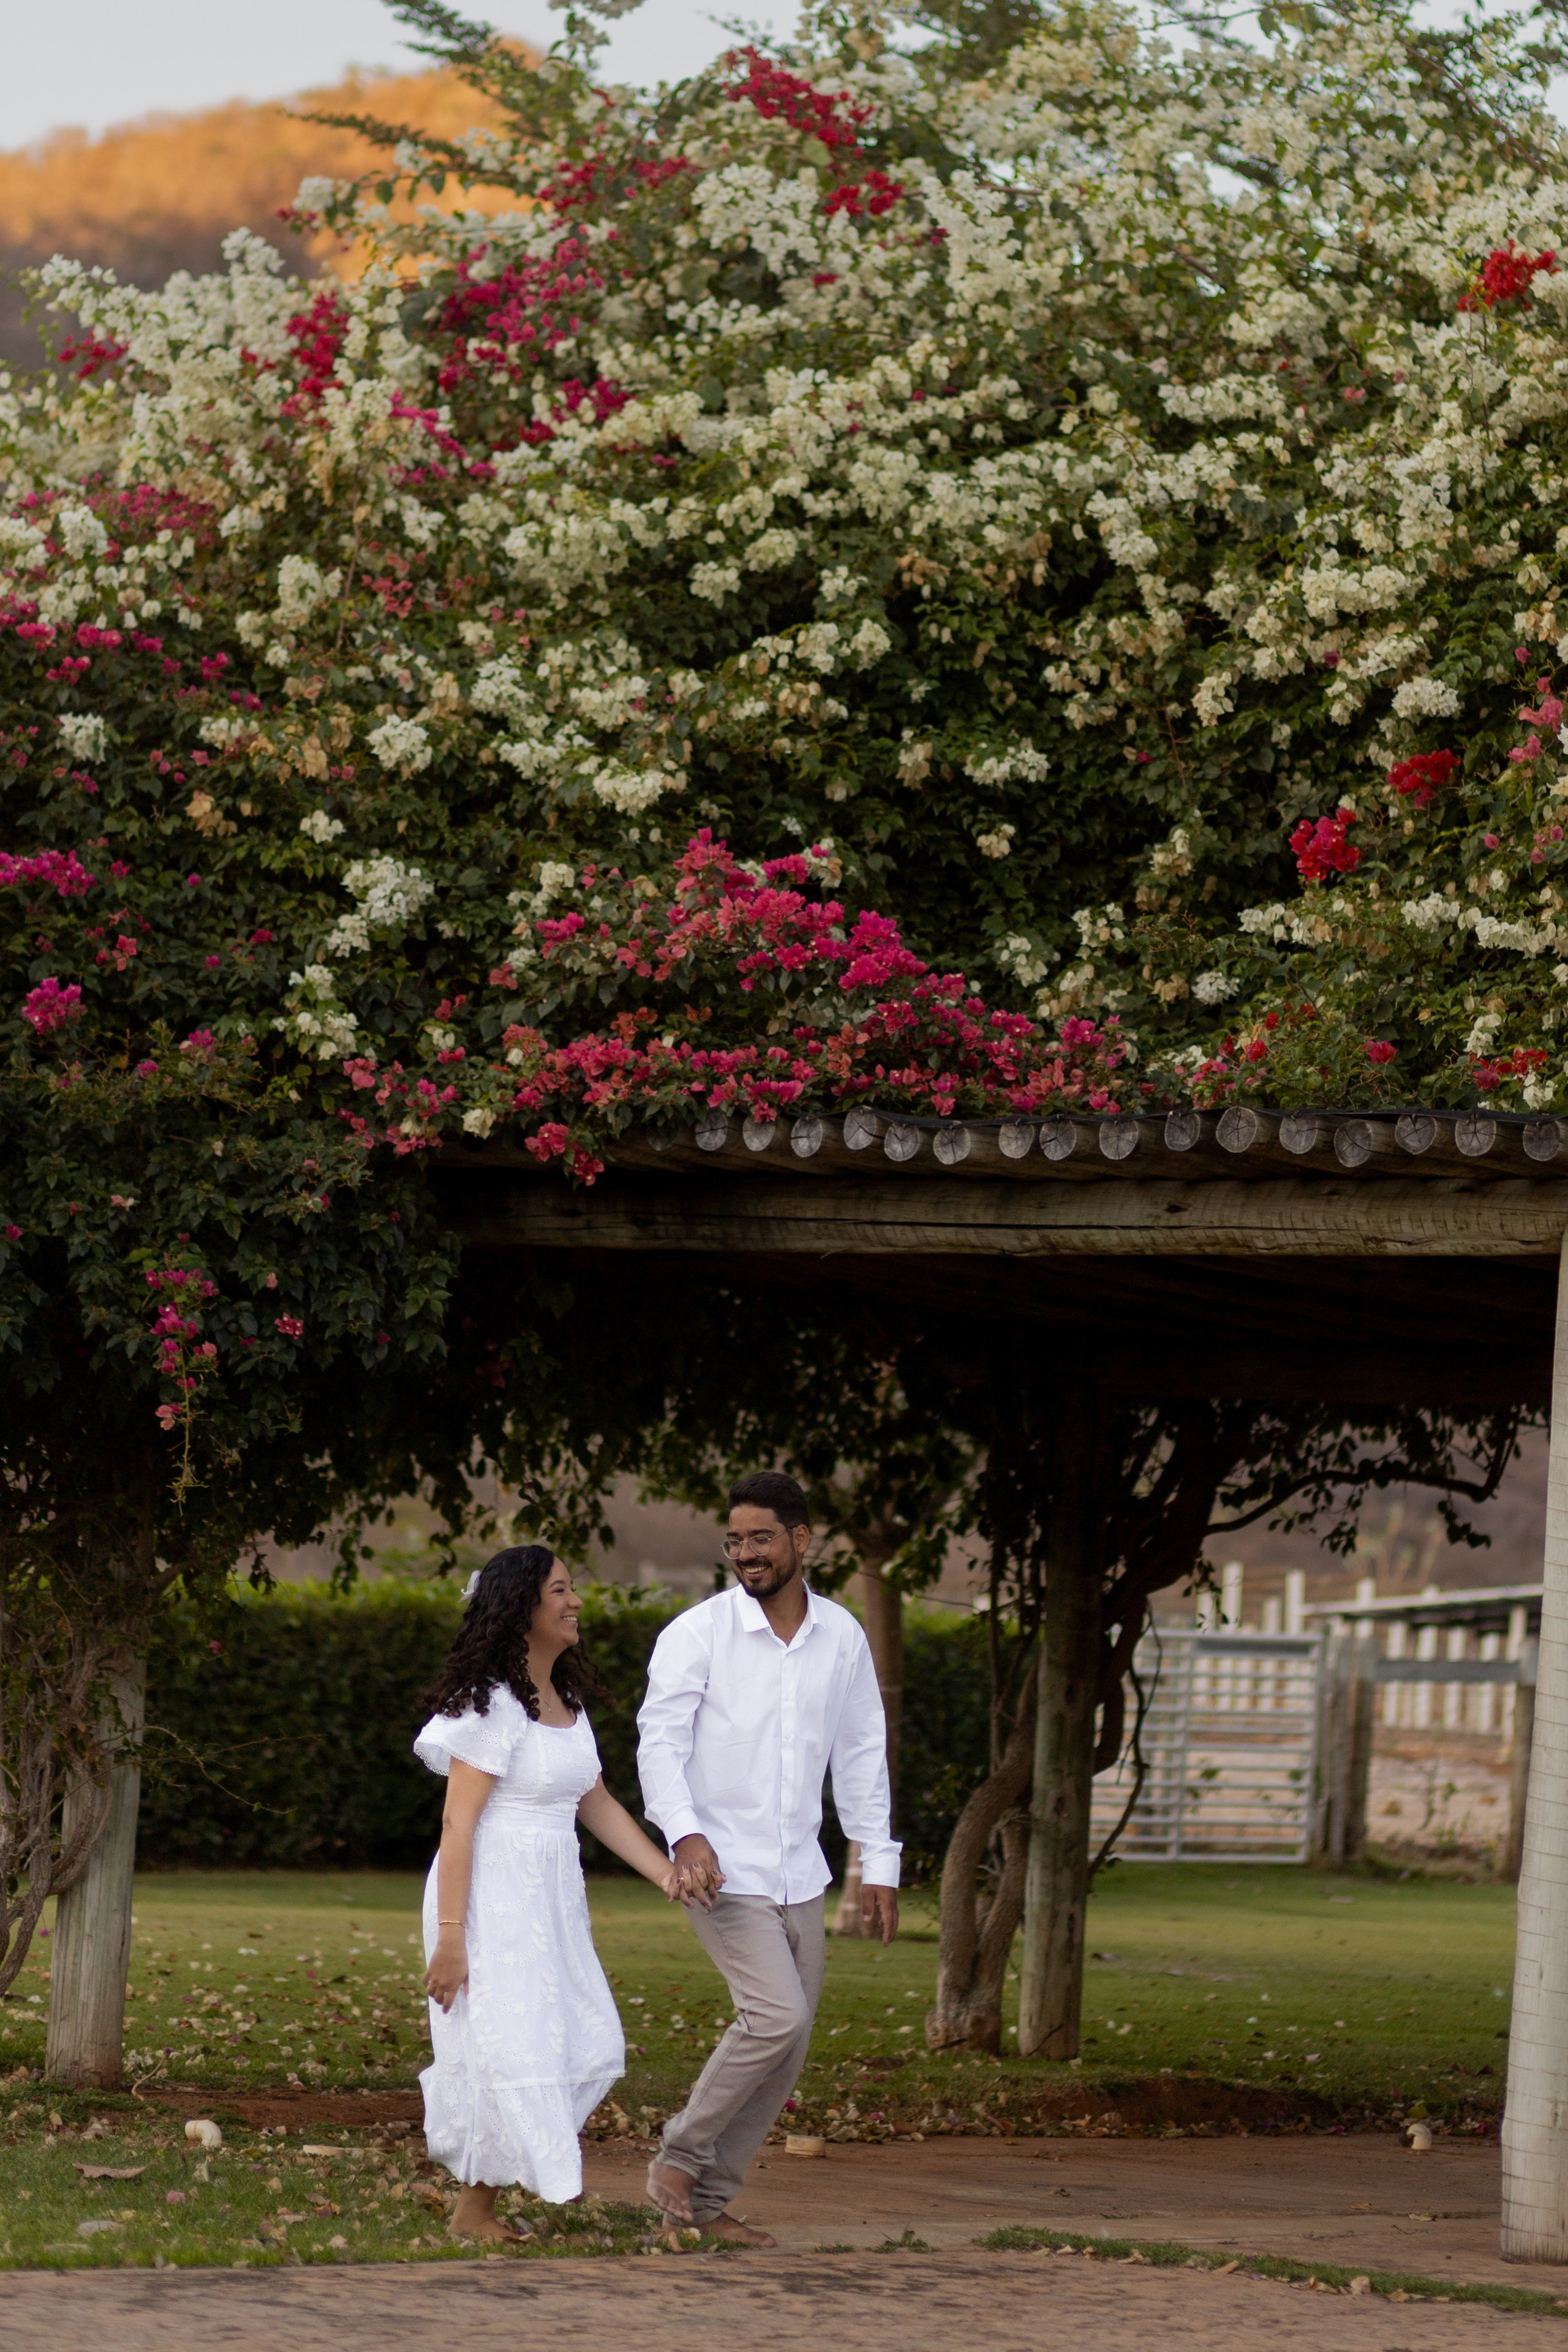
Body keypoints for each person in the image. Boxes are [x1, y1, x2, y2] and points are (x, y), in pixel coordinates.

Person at [636, 1469, 900, 2247]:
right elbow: (658, 1744)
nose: (746, 1553)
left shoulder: (842, 1636)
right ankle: (680, 2155)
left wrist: (877, 1861)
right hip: (721, 1871)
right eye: (735, 1540)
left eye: (760, 1538)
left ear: (801, 1541)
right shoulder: (697, 1634)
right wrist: (684, 1834)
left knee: (789, 2044)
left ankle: (708, 2207)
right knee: (775, 2016)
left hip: (801, 1873)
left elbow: (860, 1753)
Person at [415, 1544, 687, 2241]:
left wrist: (665, 1874)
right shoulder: (491, 1705)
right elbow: (458, 1821)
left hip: (550, 1897)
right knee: (510, 2047)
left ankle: (487, 2198)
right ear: (521, 1607)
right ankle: (474, 2214)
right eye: (560, 1590)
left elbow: (593, 1802)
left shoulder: (564, 1700)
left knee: (581, 2037)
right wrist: (452, 1934)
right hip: (488, 1897)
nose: (575, 1602)